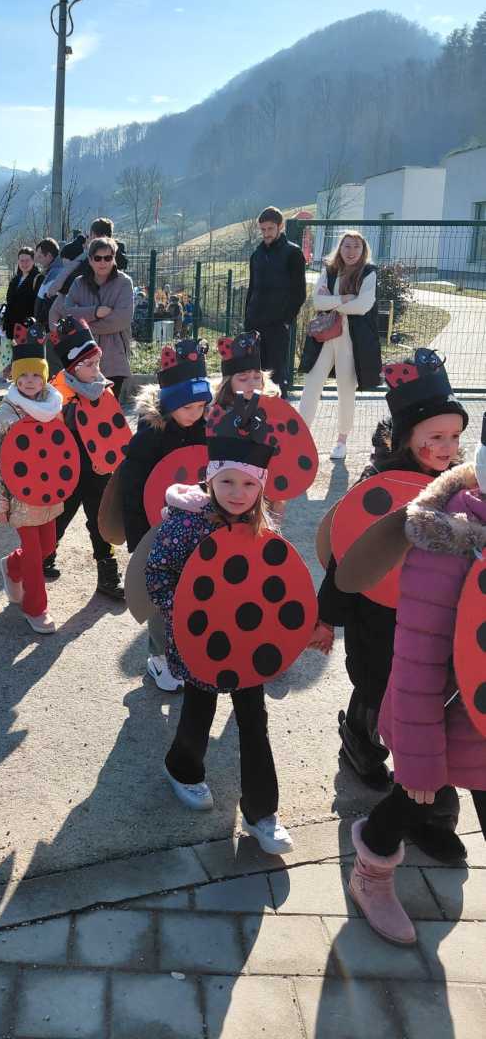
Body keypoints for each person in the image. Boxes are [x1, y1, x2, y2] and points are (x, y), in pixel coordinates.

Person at [313, 350, 468, 861]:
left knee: (430, 711)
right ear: (405, 438)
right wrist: (325, 619)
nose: (446, 449)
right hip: (378, 622)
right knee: (379, 691)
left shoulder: (460, 488)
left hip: (437, 622)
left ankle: (434, 816)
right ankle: (360, 741)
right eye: (435, 437)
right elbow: (347, 558)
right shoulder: (377, 488)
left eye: (454, 437)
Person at [349, 441, 486, 945]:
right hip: (445, 722)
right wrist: (418, 758)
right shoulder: (448, 542)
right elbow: (416, 662)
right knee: (410, 800)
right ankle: (370, 875)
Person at [145, 397, 294, 855]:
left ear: (260, 487)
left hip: (248, 643)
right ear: (210, 480)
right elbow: (158, 574)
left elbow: (276, 583)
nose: (237, 492)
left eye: (248, 483)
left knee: (254, 721)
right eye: (226, 481)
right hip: (200, 642)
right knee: (199, 710)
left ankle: (262, 812)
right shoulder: (185, 524)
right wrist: (185, 615)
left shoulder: (263, 528)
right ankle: (182, 768)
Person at [118, 339, 211, 690]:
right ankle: (159, 658)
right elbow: (132, 491)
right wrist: (138, 539)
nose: (196, 413)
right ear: (170, 403)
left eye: (202, 406)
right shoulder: (149, 439)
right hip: (157, 532)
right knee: (161, 597)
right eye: (188, 407)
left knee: (196, 590)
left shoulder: (206, 430)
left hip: (197, 530)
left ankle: (191, 647)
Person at [0, 319, 65, 634]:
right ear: (14, 376)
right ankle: (36, 608)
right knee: (34, 555)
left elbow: (60, 452)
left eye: (36, 375)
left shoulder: (53, 408)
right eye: (24, 375)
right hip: (19, 496)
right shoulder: (4, 416)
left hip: (47, 492)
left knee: (47, 547)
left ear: (44, 376)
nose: (30, 381)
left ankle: (10, 566)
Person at [44, 317, 124, 600]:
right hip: (69, 469)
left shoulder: (104, 389)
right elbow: (49, 435)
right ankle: (45, 556)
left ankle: (107, 574)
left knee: (100, 521)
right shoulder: (57, 393)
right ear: (73, 368)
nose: (95, 369)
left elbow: (114, 430)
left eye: (96, 362)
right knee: (60, 517)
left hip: (98, 470)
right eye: (88, 364)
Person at [299, 231, 380, 461]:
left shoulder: (369, 272)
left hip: (351, 341)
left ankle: (341, 441)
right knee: (311, 385)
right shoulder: (330, 270)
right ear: (340, 248)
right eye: (347, 246)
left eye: (356, 246)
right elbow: (317, 301)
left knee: (346, 390)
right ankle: (301, 438)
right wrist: (346, 299)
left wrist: (332, 302)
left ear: (363, 250)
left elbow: (363, 306)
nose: (351, 251)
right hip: (325, 337)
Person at [50, 236, 135, 399]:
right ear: (90, 260)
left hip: (113, 359)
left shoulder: (124, 283)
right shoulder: (78, 283)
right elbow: (67, 313)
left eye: (107, 258)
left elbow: (122, 319)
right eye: (97, 258)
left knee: (109, 408)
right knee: (81, 409)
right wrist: (95, 312)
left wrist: (83, 327)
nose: (103, 262)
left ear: (114, 258)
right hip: (81, 359)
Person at [244, 206, 307, 396]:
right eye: (263, 229)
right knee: (254, 374)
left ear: (280, 226)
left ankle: (279, 411)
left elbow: (299, 293)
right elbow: (252, 289)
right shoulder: (256, 255)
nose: (266, 233)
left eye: (270, 228)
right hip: (254, 324)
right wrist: (247, 319)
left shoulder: (293, 253)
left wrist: (286, 320)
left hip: (277, 326)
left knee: (276, 376)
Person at [211, 332, 275, 407]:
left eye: (257, 377)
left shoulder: (271, 408)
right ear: (227, 383)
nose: (252, 384)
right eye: (243, 379)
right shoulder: (216, 411)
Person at [3, 248, 41, 338]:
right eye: (21, 261)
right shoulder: (15, 279)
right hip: (11, 327)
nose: (24, 264)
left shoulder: (38, 279)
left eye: (27, 260)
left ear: (33, 261)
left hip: (27, 328)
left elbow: (38, 306)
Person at [32, 238, 64, 330]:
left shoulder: (55, 274)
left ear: (49, 256)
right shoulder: (54, 271)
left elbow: (49, 305)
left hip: (50, 328)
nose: (38, 260)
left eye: (40, 256)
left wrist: (39, 323)